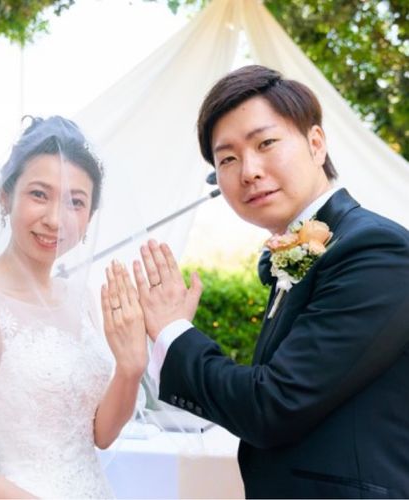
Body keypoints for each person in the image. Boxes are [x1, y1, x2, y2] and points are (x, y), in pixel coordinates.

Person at [132, 65, 409, 498]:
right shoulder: (302, 253)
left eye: (265, 143)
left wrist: (173, 332)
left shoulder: (375, 249)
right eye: (227, 159)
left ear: (316, 143)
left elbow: (272, 404)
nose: (249, 171)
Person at [0, 116, 147, 498]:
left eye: (75, 202)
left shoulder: (81, 299)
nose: (55, 219)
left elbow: (100, 434)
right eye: (40, 194)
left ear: (89, 217)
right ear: (5, 197)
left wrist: (130, 369)